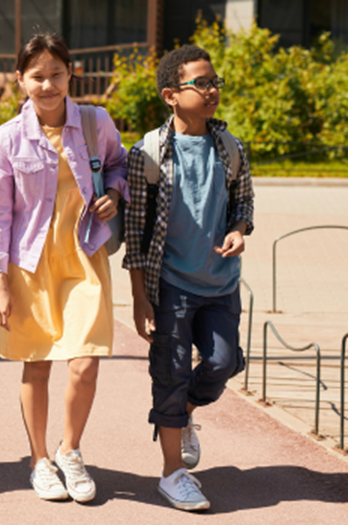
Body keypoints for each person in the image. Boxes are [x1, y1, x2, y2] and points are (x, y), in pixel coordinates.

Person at [0, 33, 128, 503]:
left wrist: (114, 194)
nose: (47, 85)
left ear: (71, 73)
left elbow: (121, 164)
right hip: (29, 265)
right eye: (37, 76)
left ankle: (70, 450)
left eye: (56, 74)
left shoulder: (93, 121)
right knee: (37, 366)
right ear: (21, 79)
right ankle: (39, 460)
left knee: (85, 363)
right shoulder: (8, 137)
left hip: (84, 256)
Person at [124, 44, 254, 512]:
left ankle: (186, 416)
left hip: (221, 284)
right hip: (172, 286)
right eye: (201, 82)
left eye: (214, 80)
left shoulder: (231, 147)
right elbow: (135, 232)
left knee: (223, 363)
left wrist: (239, 230)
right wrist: (140, 299)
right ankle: (172, 473)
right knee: (171, 374)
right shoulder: (149, 153)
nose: (212, 88)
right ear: (171, 95)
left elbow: (244, 204)